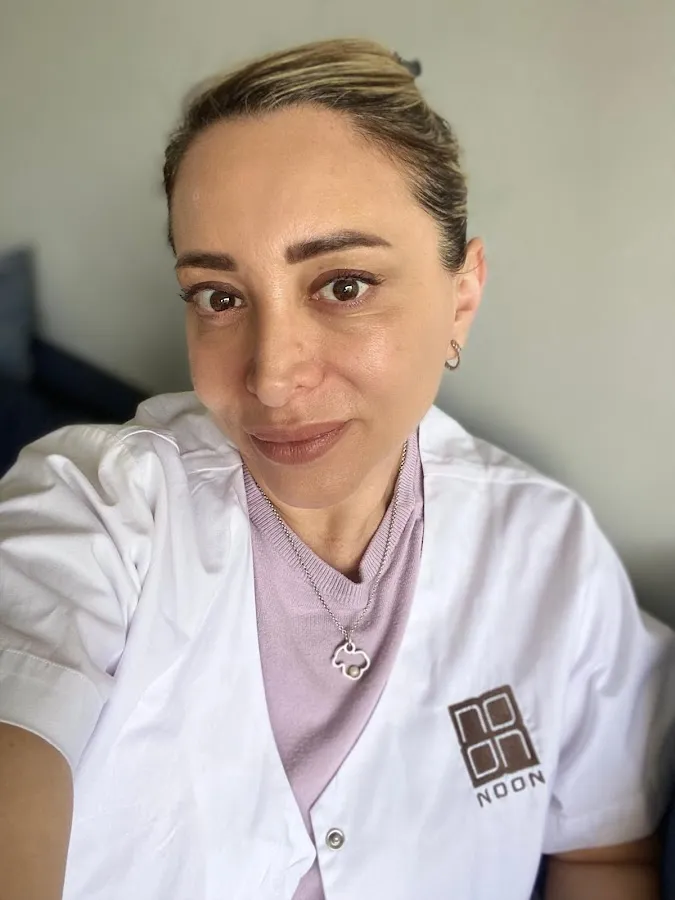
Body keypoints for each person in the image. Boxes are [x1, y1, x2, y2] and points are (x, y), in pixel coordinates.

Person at [0, 38, 673, 900]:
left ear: (461, 295)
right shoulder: (98, 507)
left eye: (343, 285)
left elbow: (603, 850)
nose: (271, 378)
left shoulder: (547, 557)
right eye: (219, 296)